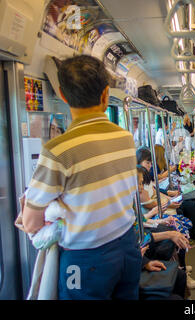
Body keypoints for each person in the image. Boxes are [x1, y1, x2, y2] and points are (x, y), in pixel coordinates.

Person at [22, 55, 142, 299]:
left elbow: (31, 223)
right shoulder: (126, 139)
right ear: (106, 95)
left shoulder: (57, 151)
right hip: (128, 245)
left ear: (63, 96)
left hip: (86, 258)